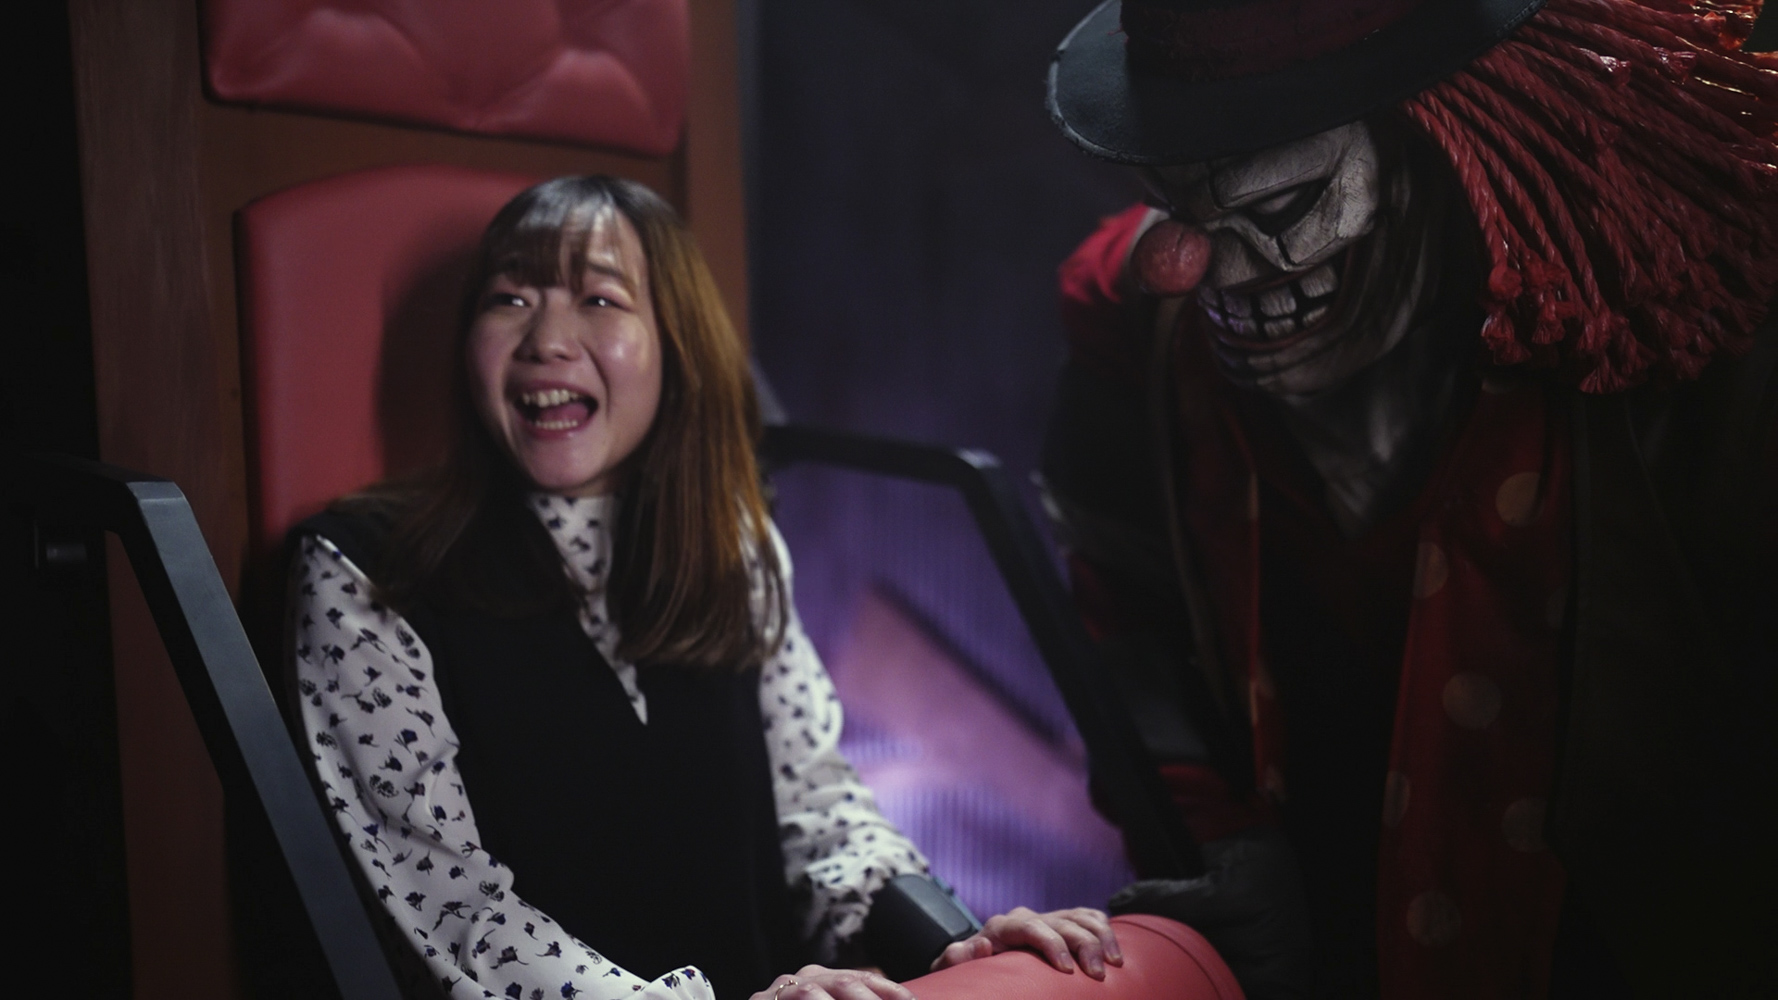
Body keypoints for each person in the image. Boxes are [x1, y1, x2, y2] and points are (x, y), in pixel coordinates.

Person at [1038, 1, 1777, 998]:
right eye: (1170, 205)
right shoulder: (1134, 333)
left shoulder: (1696, 362)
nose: (1187, 269)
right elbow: (1123, 613)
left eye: (1280, 204)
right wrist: (1219, 837)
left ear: (1446, 147)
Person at [288, 175, 1122, 1000]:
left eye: (600, 300)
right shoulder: (365, 570)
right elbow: (452, 911)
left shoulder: (732, 543)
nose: (546, 339)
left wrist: (950, 942)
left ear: (675, 344)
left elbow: (817, 813)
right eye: (509, 300)